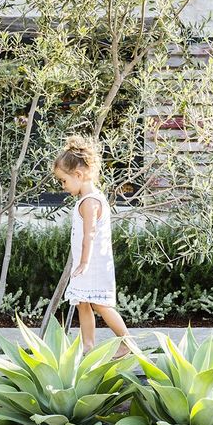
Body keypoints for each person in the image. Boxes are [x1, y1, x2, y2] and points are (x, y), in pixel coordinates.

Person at [53, 135, 133, 356]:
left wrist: (85, 262)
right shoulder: (90, 199)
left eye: (64, 180)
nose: (63, 186)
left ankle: (127, 341)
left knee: (100, 305)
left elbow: (89, 234)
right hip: (85, 263)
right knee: (83, 303)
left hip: (93, 264)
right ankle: (88, 345)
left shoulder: (90, 202)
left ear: (78, 175)